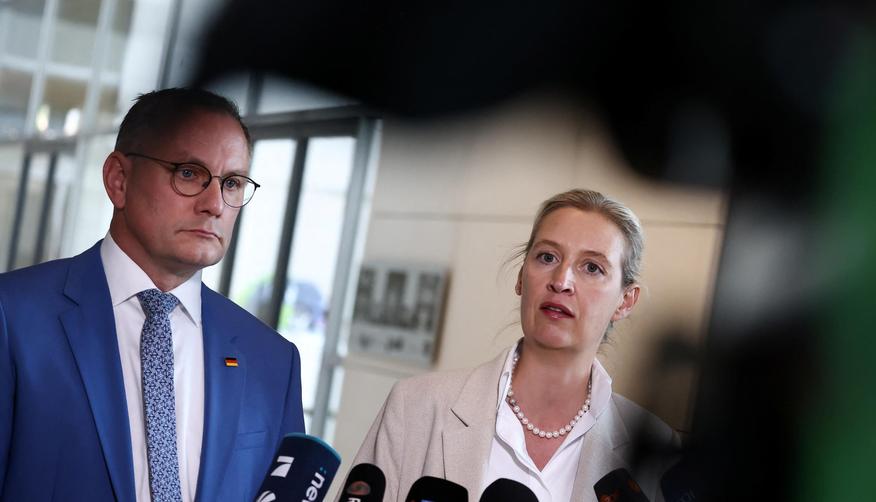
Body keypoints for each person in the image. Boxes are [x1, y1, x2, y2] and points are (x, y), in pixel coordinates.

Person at [0, 88, 304, 502]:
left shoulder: (273, 360)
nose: (214, 203)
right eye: (188, 173)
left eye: (231, 182)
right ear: (119, 180)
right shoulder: (14, 317)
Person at [349, 189, 678, 501]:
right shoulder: (415, 407)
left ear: (625, 301)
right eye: (547, 257)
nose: (561, 281)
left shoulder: (658, 448)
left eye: (592, 267)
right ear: (521, 277)